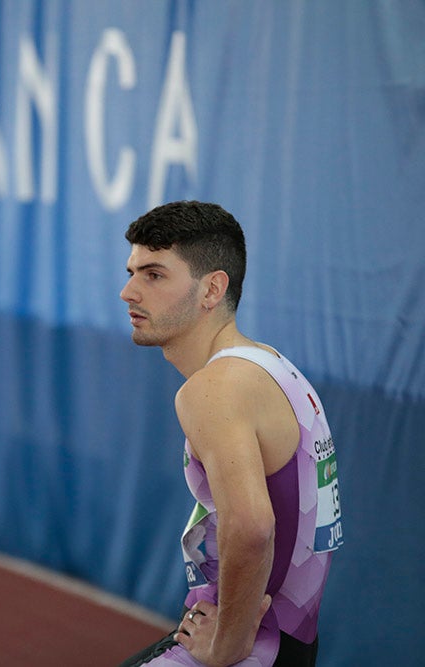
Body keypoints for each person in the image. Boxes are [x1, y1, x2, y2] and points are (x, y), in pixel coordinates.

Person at [117, 201, 343, 667]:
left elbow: (252, 528)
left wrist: (226, 649)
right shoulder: (272, 365)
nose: (128, 291)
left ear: (212, 289)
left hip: (254, 647)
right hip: (290, 640)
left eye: (154, 275)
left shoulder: (213, 389)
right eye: (132, 272)